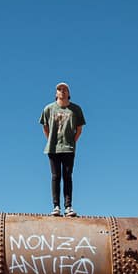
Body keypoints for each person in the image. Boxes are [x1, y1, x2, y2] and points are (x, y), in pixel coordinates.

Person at [39, 81, 85, 216]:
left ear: (69, 93)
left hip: (69, 148)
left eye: (65, 89)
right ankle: (56, 206)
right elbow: (45, 126)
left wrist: (71, 142)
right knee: (55, 176)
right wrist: (50, 141)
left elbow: (79, 129)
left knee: (68, 176)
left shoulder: (75, 109)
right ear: (56, 93)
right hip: (53, 148)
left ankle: (68, 206)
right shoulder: (48, 109)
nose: (62, 91)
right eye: (59, 89)